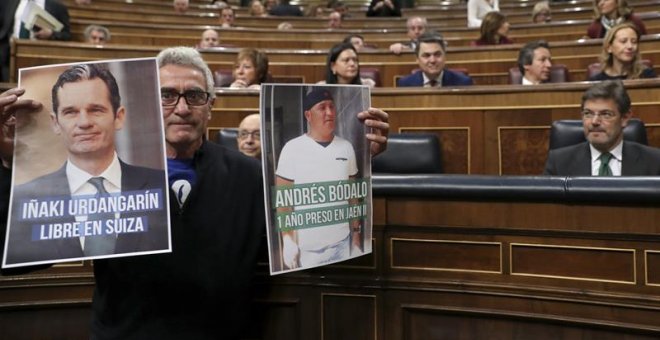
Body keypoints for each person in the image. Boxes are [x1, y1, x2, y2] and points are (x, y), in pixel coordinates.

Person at [0, 46, 390, 338]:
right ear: (149, 106)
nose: (182, 107)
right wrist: (9, 165)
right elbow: (23, 259)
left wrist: (351, 167)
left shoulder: (250, 175)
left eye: (195, 96)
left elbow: (311, 245)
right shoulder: (106, 176)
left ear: (211, 107)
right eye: (167, 95)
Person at [4, 63, 168, 265]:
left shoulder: (160, 185)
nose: (84, 122)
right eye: (71, 112)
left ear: (118, 117)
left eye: (96, 110)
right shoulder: (24, 198)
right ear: (55, 123)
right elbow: (13, 265)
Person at [275, 88, 357, 269]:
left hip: (342, 242)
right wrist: (287, 240)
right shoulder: (292, 148)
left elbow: (353, 198)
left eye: (332, 107)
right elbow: (284, 202)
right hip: (308, 248)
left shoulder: (346, 147)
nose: (329, 113)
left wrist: (356, 239)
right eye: (322, 107)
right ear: (308, 115)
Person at [543, 80, 660, 176]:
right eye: (588, 113)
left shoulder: (654, 162)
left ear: (624, 118)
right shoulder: (559, 162)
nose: (594, 122)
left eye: (606, 114)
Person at [397, 33, 473, 87]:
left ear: (445, 56)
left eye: (437, 54)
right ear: (417, 59)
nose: (432, 60)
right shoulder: (405, 84)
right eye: (426, 55)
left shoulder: (463, 83)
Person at [588, 23, 656, 81]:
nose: (630, 46)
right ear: (609, 47)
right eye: (623, 41)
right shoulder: (597, 80)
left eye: (634, 42)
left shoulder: (647, 76)